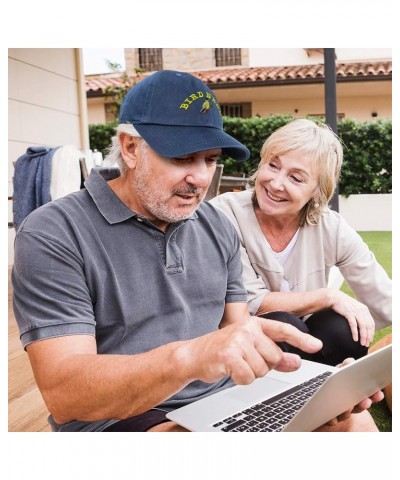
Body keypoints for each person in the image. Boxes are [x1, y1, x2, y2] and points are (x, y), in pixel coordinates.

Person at [12, 71, 381, 433]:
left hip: (226, 401)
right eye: (183, 158)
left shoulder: (215, 224)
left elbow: (238, 330)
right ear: (130, 148)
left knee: (355, 423)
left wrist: (309, 389)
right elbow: (66, 396)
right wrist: (192, 356)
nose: (201, 178)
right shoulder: (54, 232)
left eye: (209, 159)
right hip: (128, 416)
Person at [211, 119, 392, 367]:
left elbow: (385, 298)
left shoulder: (330, 226)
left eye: (295, 178)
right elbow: (249, 302)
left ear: (317, 191)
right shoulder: (224, 213)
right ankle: (314, 388)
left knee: (344, 325)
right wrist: (327, 296)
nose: (276, 184)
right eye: (273, 166)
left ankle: (328, 382)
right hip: (241, 345)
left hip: (308, 344)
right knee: (283, 323)